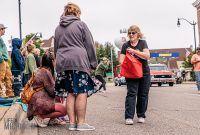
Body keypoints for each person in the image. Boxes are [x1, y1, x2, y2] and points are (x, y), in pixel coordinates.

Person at [54, 2, 97, 131]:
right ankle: (81, 123)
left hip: (63, 62)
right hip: (79, 61)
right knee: (81, 91)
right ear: (77, 13)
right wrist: (93, 63)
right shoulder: (81, 25)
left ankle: (72, 123)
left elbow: (56, 48)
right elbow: (90, 44)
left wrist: (58, 63)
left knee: (70, 92)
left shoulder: (58, 28)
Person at [119, 25, 150, 125]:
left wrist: (134, 52)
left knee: (143, 94)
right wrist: (128, 60)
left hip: (144, 71)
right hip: (131, 73)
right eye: (129, 33)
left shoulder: (143, 43)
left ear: (138, 34)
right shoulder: (125, 45)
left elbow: (147, 56)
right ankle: (129, 117)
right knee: (131, 94)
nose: (131, 35)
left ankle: (141, 115)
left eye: (133, 32)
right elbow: (121, 60)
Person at [27, 52, 67, 127]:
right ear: (52, 61)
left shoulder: (40, 70)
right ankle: (41, 117)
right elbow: (53, 92)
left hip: (36, 102)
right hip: (39, 102)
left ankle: (52, 119)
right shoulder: (46, 72)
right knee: (65, 110)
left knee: (59, 99)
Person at [0, 24, 15, 98]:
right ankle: (0, 93)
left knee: (8, 76)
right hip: (2, 61)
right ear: (0, 29)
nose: (4, 31)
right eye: (3, 29)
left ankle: (9, 92)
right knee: (1, 77)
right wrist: (1, 59)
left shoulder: (1, 39)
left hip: (5, 61)